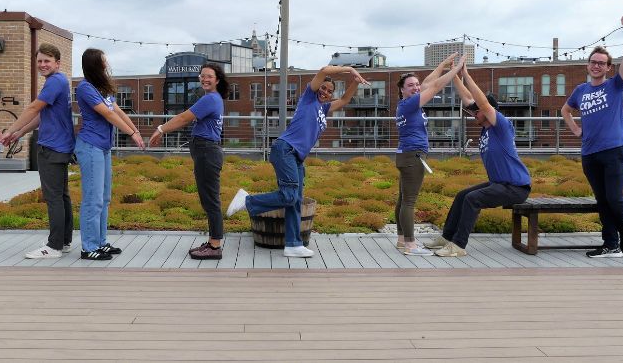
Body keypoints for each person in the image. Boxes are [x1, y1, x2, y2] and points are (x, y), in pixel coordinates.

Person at [226, 65, 369, 258]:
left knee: (295, 201)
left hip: (297, 157)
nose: (325, 92)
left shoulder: (324, 108)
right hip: (285, 149)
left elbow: (344, 99)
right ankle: (248, 200)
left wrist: (355, 82)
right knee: (289, 196)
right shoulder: (308, 98)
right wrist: (349, 69)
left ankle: (293, 244)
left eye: (329, 91)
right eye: (324, 88)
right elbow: (324, 70)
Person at [428, 60, 531, 257]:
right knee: (462, 195)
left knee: (473, 199)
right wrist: (455, 73)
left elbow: (482, 102)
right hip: (499, 183)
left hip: (515, 187)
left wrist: (466, 73)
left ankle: (458, 246)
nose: (473, 113)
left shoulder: (501, 126)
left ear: (489, 111)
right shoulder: (485, 128)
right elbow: (468, 98)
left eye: (477, 111)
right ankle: (447, 237)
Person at [561, 15, 623, 258]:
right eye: (593, 62)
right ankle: (610, 245)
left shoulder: (615, 86)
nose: (596, 66)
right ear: (588, 65)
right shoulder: (580, 90)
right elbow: (565, 110)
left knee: (614, 198)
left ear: (608, 68)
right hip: (589, 153)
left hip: (614, 151)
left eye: (601, 63)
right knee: (602, 201)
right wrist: (575, 130)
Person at [0, 43, 75, 259]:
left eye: (47, 61)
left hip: (52, 147)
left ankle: (54, 247)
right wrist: (20, 132)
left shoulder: (54, 82)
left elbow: (33, 108)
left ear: (57, 63)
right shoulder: (59, 82)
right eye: (39, 61)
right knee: (61, 196)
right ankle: (64, 241)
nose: (42, 64)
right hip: (61, 146)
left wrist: (9, 130)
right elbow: (42, 115)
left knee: (54, 198)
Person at [149, 63, 228, 260]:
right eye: (202, 76)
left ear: (217, 80)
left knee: (210, 199)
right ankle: (212, 242)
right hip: (206, 152)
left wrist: (160, 130)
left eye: (209, 76)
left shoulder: (210, 99)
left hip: (207, 153)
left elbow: (184, 118)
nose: (204, 79)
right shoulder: (212, 98)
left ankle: (215, 246)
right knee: (208, 198)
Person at [75, 48, 145, 260]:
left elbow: (118, 111)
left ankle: (101, 242)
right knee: (93, 199)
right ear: (96, 64)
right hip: (90, 146)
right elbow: (106, 113)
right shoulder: (85, 88)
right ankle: (88, 247)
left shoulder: (102, 88)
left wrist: (136, 131)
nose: (107, 64)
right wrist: (131, 133)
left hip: (103, 148)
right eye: (104, 61)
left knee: (104, 198)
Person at [394, 53, 465, 256]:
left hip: (406, 155)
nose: (416, 87)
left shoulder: (406, 104)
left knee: (402, 199)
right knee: (409, 202)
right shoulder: (409, 104)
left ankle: (401, 240)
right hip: (413, 156)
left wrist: (443, 64)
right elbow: (433, 87)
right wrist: (456, 69)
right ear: (402, 89)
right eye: (410, 85)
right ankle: (410, 245)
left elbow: (427, 83)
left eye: (415, 84)